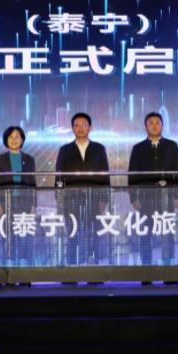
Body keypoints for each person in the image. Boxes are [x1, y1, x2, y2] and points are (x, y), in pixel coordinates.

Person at [128, 112, 178, 268]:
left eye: (157, 122)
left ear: (162, 125)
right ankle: (147, 270)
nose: (154, 126)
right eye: (151, 123)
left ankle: (169, 269)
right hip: (145, 198)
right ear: (145, 126)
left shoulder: (171, 146)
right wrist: (133, 198)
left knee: (167, 233)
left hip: (167, 198)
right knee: (145, 235)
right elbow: (132, 174)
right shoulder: (138, 148)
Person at [55, 113, 110, 266]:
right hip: (71, 199)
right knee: (72, 234)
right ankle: (71, 267)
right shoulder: (65, 150)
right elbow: (59, 176)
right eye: (76, 125)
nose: (80, 128)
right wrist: (60, 199)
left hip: (94, 199)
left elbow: (105, 175)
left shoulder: (99, 149)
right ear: (72, 128)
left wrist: (104, 199)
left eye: (84, 125)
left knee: (93, 234)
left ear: (90, 128)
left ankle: (93, 266)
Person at [0, 126, 37, 267]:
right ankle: (9, 264)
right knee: (8, 234)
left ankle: (24, 266)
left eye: (17, 137)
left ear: (22, 140)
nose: (14, 140)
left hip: (25, 203)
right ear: (6, 140)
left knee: (24, 234)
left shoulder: (29, 159)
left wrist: (34, 205)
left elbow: (33, 183)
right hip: (6, 203)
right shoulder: (0, 159)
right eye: (11, 137)